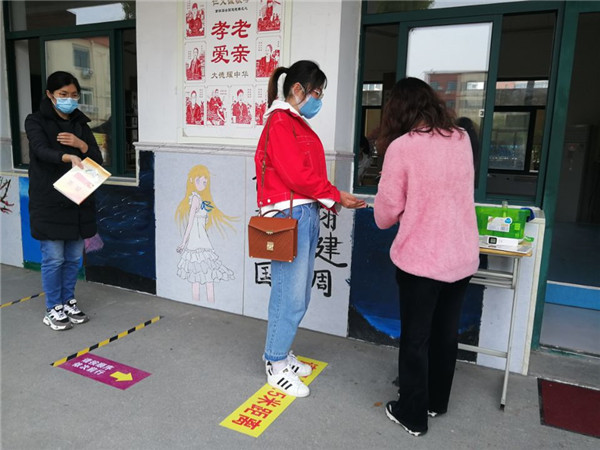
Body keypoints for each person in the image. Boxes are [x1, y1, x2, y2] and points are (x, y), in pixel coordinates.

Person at [373, 77, 480, 436]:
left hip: (422, 260)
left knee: (416, 339)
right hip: (461, 256)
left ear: (398, 111)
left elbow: (385, 214)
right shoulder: (461, 139)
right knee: (445, 334)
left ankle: (412, 414)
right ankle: (436, 401)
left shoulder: (402, 147)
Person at [254, 60, 366, 397]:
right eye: (317, 93)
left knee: (297, 292)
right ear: (298, 89)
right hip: (290, 215)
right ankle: (275, 363)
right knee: (289, 292)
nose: (319, 100)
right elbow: (297, 175)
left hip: (301, 213)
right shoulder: (281, 122)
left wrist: (329, 196)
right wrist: (335, 195)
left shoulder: (292, 122)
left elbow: (303, 175)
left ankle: (280, 352)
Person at [25, 71, 103, 331]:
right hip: (49, 202)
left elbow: (97, 159)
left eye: (73, 95)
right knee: (54, 259)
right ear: (50, 94)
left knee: (72, 259)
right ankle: (53, 308)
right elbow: (40, 150)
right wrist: (67, 157)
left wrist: (81, 145)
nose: (69, 99)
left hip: (78, 200)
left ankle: (68, 301)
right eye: (63, 94)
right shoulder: (35, 121)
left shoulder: (81, 124)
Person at [175, 165, 235, 304]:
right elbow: (190, 223)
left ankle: (205, 303)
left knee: (201, 277)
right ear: (192, 180)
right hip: (197, 243)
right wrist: (183, 242)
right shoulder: (195, 198)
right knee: (204, 278)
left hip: (201, 242)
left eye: (204, 182)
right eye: (200, 181)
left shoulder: (201, 199)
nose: (203, 184)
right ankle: (203, 303)